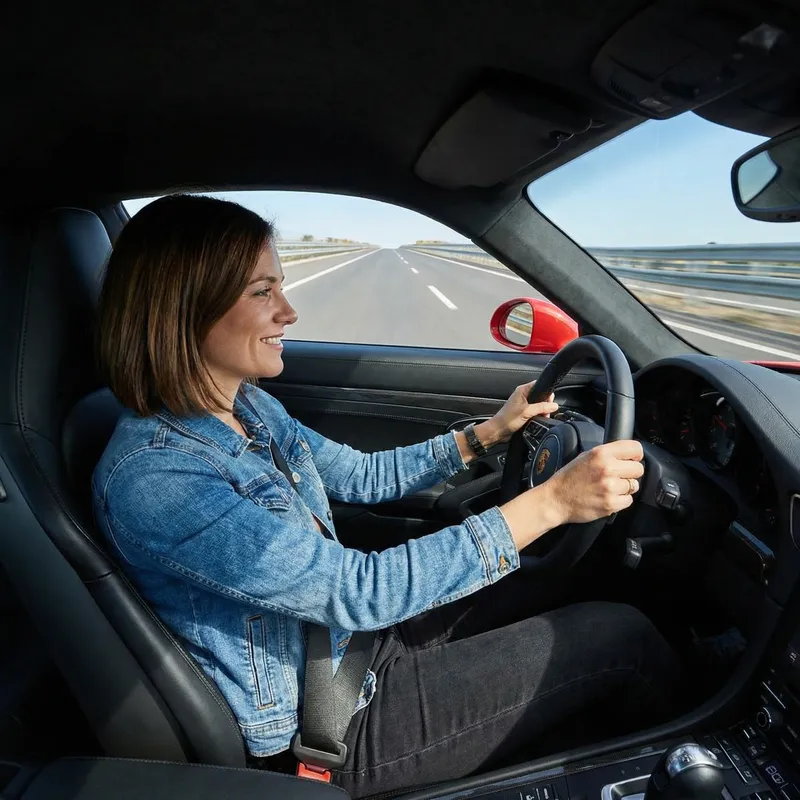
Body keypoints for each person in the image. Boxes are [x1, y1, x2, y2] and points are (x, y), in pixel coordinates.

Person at [93, 194, 682, 797]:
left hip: (350, 646)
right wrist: (551, 503)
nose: (289, 312)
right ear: (184, 308)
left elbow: (361, 477)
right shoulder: (158, 477)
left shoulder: (248, 407)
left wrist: (487, 435)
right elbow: (356, 591)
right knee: (620, 640)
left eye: (281, 287)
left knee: (573, 579)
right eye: (262, 292)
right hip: (328, 724)